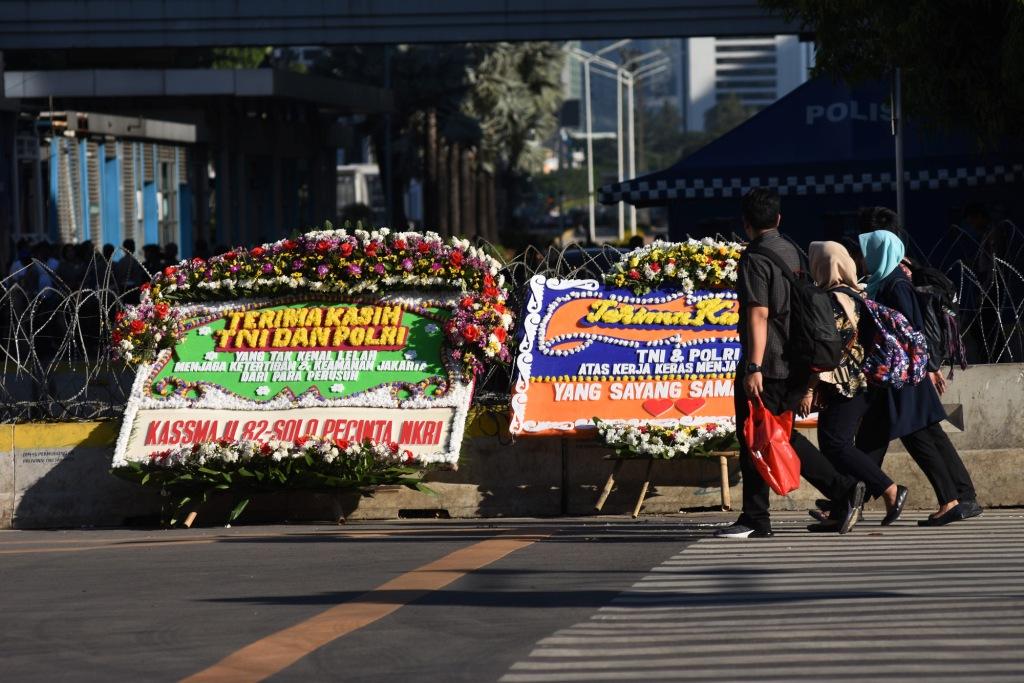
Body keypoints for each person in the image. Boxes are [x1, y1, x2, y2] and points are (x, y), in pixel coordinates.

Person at [715, 187, 866, 539]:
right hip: (795, 360)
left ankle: (757, 518)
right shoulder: (792, 251)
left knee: (754, 434)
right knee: (776, 433)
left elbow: (758, 314)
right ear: (778, 219)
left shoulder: (755, 257)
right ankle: (841, 489)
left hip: (767, 363)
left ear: (745, 223)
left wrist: (752, 368)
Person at [855, 229, 982, 526]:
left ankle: (952, 499)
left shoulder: (895, 285)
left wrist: (925, 367)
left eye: (866, 252)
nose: (862, 260)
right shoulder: (884, 282)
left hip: (902, 375)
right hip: (900, 375)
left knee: (919, 438)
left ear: (879, 252)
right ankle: (846, 501)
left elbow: (910, 331)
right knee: (883, 439)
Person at [804, 241, 908, 526]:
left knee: (835, 443)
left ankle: (889, 489)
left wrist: (810, 388)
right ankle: (843, 511)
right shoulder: (857, 293)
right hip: (864, 381)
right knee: (833, 444)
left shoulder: (830, 301)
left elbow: (825, 350)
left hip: (844, 383)